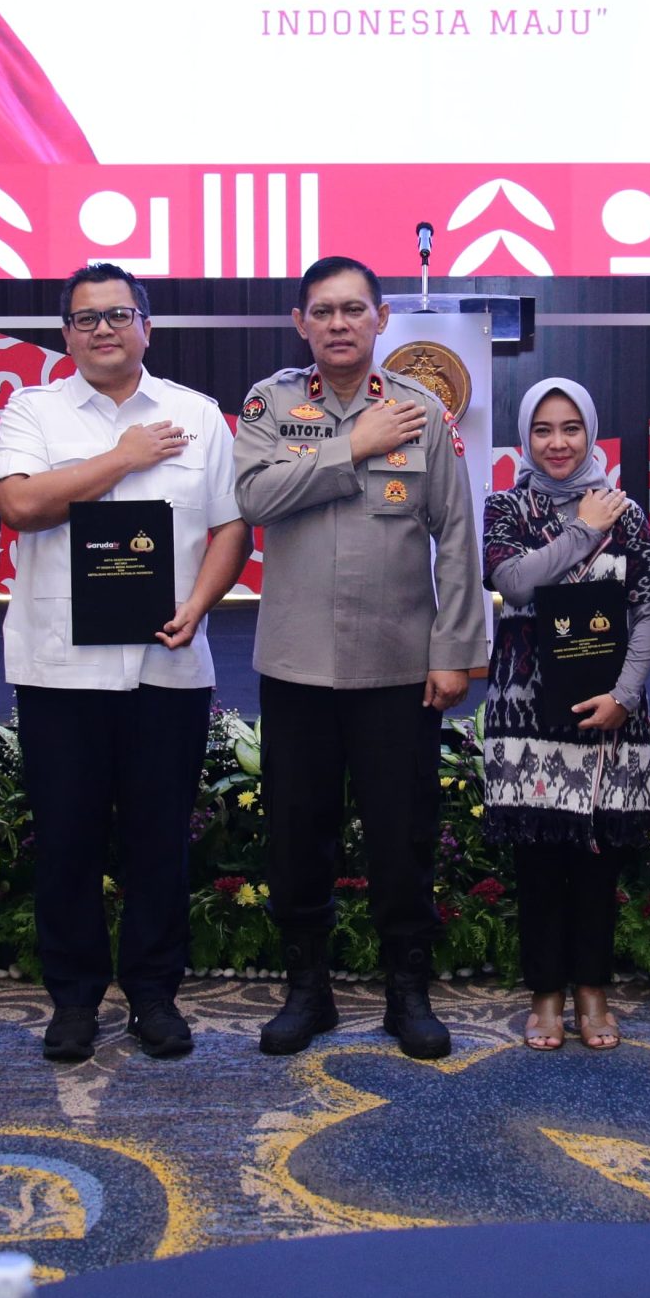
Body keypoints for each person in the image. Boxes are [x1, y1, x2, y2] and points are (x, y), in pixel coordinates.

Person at [0, 264, 250, 1063]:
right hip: (59, 670)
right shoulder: (33, 409)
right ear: (66, 335)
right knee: (65, 840)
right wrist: (123, 457)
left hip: (165, 666)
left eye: (118, 314)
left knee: (159, 840)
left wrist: (199, 604)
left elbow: (231, 528)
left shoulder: (197, 415)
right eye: (86, 318)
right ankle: (72, 999)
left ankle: (153, 994)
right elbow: (19, 505)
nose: (103, 329)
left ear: (147, 326)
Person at [234, 256, 486, 1060]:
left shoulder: (420, 411)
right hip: (297, 666)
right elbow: (252, 498)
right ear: (300, 323)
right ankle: (307, 992)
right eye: (323, 311)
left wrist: (455, 652)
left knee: (401, 838)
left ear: (380, 319)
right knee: (296, 835)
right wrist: (351, 447)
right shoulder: (271, 404)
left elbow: (457, 536)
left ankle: (407, 993)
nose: (338, 324)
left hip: (398, 667)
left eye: (353, 309)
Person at [481, 378, 650, 1051]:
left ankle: (592, 990)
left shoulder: (627, 510)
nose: (557, 443)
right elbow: (514, 583)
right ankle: (545, 994)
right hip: (526, 712)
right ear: (525, 437)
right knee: (537, 863)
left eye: (571, 428)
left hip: (611, 711)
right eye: (543, 429)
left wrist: (626, 695)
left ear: (591, 433)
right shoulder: (506, 506)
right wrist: (584, 528)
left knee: (598, 865)